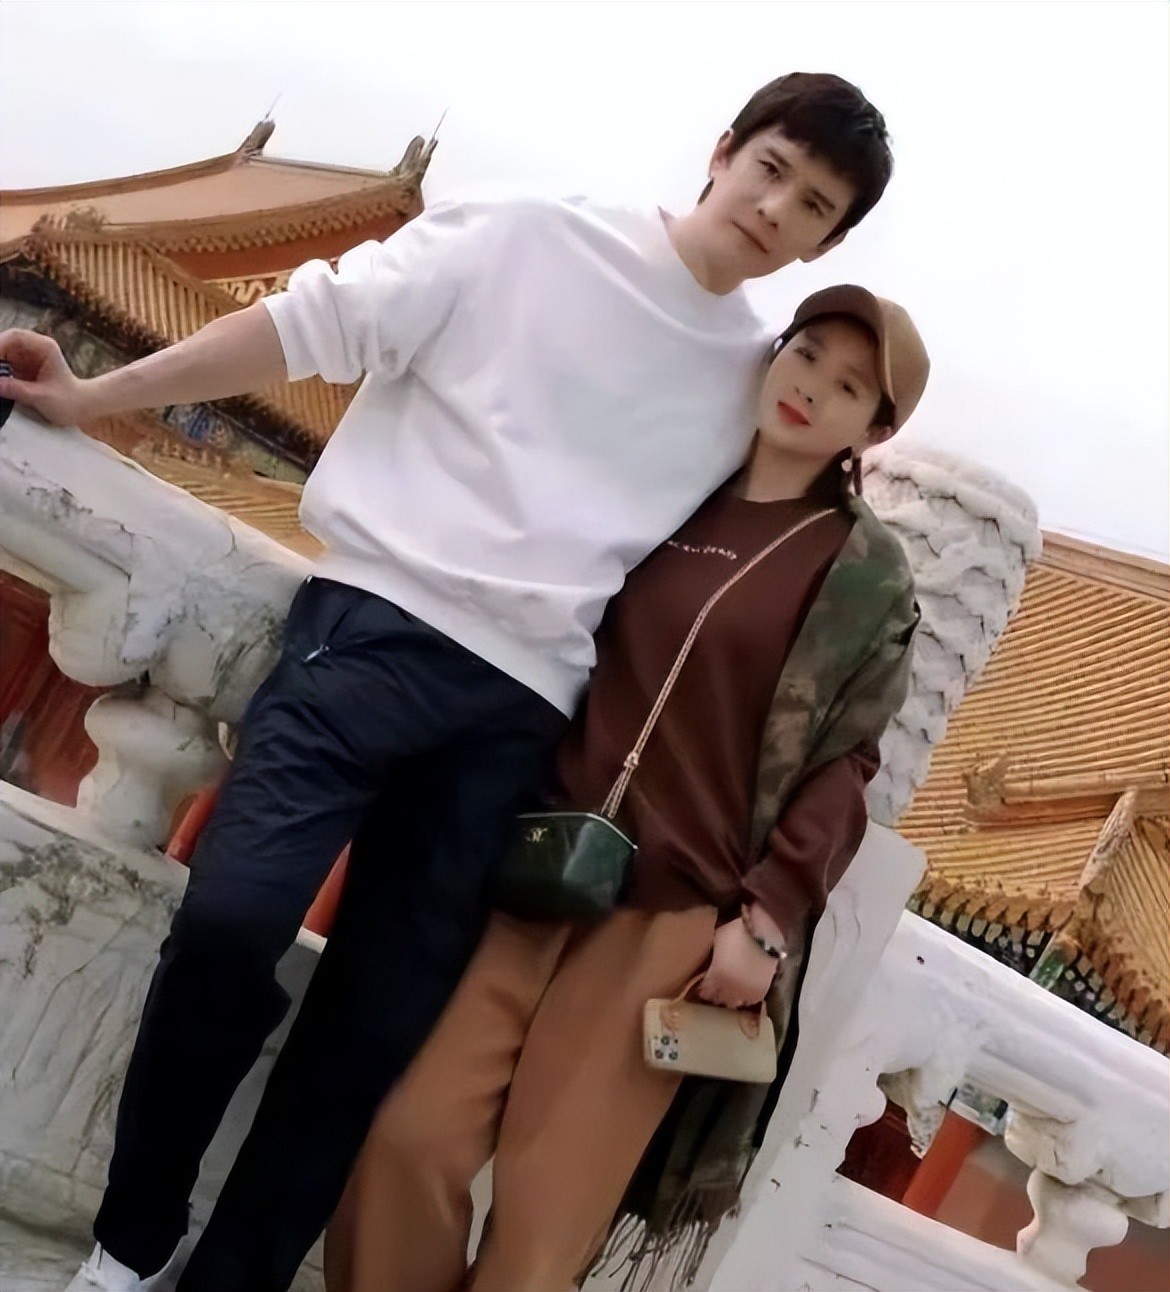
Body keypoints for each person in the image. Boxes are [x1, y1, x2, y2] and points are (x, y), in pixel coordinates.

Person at [0, 74, 894, 1292]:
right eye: (772, 169)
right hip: (367, 634)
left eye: (815, 206)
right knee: (229, 921)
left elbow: (763, 561)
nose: (777, 208)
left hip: (520, 718)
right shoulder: (529, 236)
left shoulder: (752, 383)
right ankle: (131, 1242)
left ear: (825, 243)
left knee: (371, 1028)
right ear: (725, 149)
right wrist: (96, 395)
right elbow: (308, 326)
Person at [324, 285, 929, 1292]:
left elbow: (845, 763)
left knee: (543, 1221)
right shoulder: (673, 484)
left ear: (875, 429)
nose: (811, 386)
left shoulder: (861, 572)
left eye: (850, 385)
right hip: (541, 867)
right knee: (408, 1138)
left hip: (673, 921)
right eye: (807, 352)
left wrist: (766, 919)